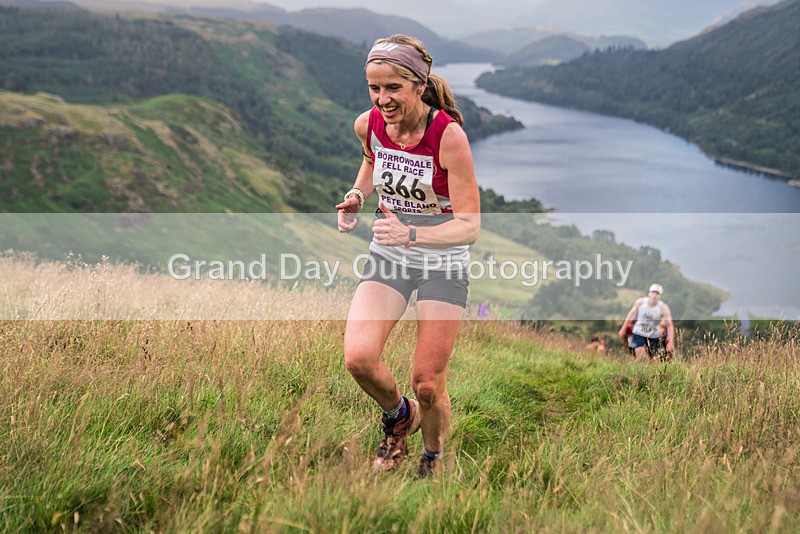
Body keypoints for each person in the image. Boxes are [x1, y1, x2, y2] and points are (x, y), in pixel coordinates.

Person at [335, 34, 480, 478]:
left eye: (393, 88)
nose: (383, 99)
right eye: (374, 89)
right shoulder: (370, 123)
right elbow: (371, 158)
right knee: (358, 358)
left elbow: (470, 225)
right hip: (390, 254)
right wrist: (360, 192)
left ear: (419, 85)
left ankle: (432, 457)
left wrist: (411, 231)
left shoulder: (448, 137)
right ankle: (399, 416)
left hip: (443, 260)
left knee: (428, 383)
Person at [619, 283, 675, 361]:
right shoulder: (640, 302)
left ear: (660, 296)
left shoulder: (663, 308)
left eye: (657, 293)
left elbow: (670, 325)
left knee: (653, 360)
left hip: (653, 336)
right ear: (649, 293)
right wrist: (623, 329)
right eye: (653, 292)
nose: (654, 295)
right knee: (641, 356)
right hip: (639, 333)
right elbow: (631, 315)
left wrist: (670, 342)